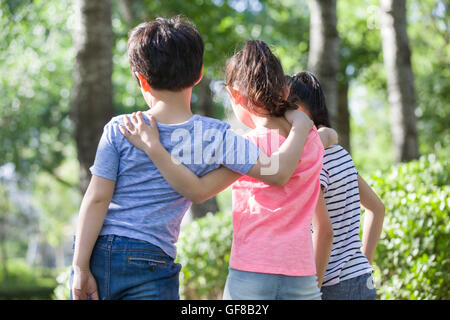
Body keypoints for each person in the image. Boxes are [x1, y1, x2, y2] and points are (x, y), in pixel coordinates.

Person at [70, 16, 317, 300]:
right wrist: (301, 127)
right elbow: (278, 172)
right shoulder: (216, 136)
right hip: (151, 259)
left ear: (141, 80)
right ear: (199, 74)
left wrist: (79, 266)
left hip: (98, 252)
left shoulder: (120, 128)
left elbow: (97, 198)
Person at [120, 40, 337, 300]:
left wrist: (154, 147)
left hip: (251, 273)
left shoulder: (244, 147)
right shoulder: (310, 138)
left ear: (235, 95)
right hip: (302, 275)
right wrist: (303, 123)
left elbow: (197, 189)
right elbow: (328, 136)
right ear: (286, 89)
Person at [286, 71, 386, 300]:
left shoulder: (314, 160)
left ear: (299, 111)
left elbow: (323, 232)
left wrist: (310, 291)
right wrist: (363, 262)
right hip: (361, 279)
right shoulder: (339, 153)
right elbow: (377, 209)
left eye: (283, 112)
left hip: (331, 286)